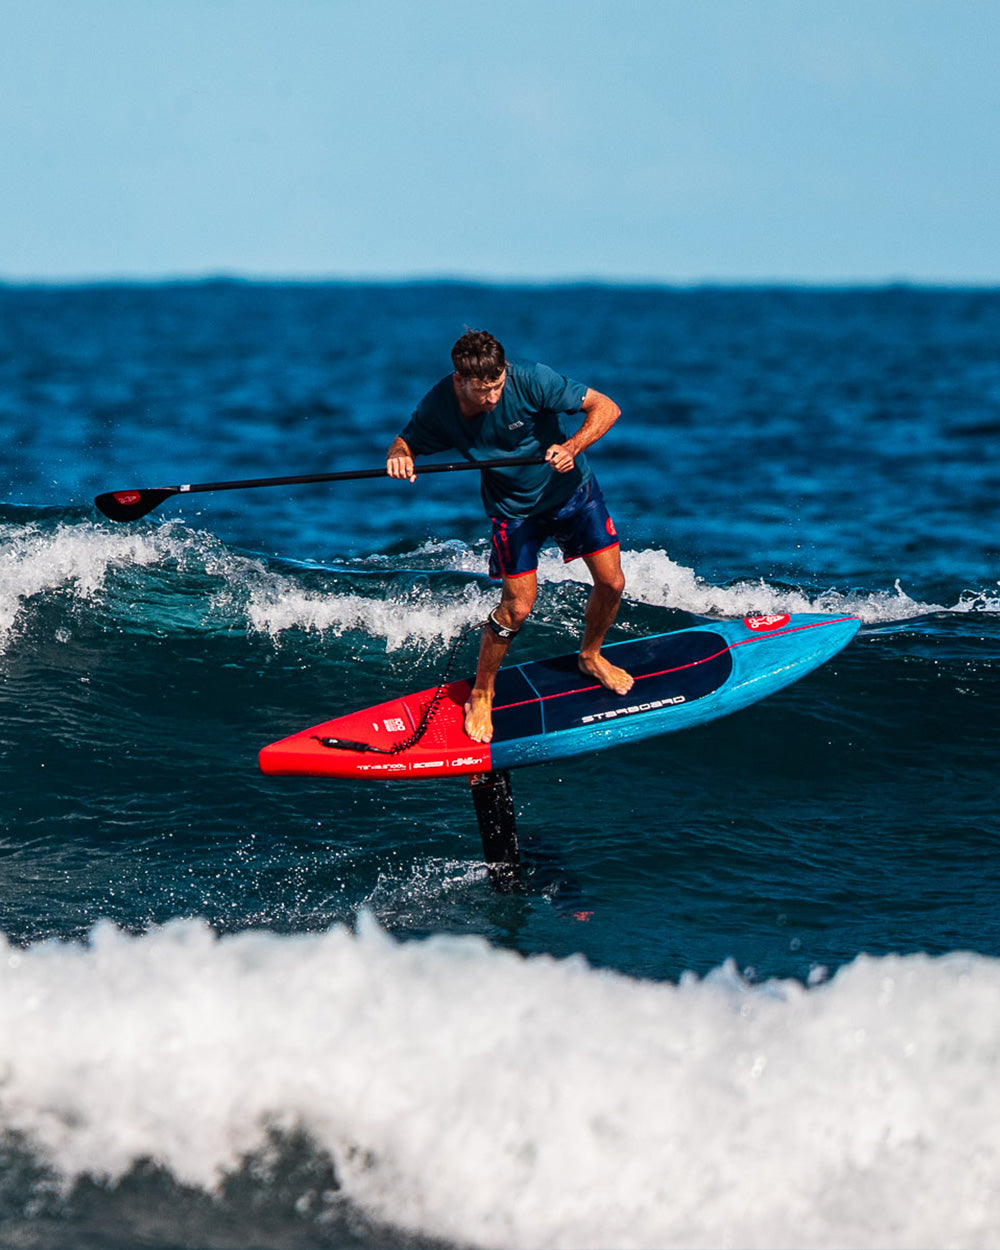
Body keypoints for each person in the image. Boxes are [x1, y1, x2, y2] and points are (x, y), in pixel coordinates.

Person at [386, 329, 632, 744]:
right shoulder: (439, 405)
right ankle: (482, 692)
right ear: (460, 379)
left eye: (498, 386)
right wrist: (399, 457)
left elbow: (607, 408)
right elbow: (406, 441)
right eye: (484, 391)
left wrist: (571, 447)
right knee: (517, 609)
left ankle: (590, 655)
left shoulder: (533, 379)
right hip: (514, 511)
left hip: (573, 493)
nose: (493, 398)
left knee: (612, 582)